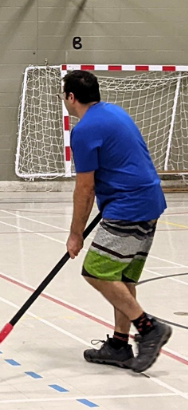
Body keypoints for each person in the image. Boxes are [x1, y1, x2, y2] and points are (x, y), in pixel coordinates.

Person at [63, 70, 171, 373]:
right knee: (122, 277)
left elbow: (85, 188)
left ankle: (148, 328)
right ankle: (119, 345)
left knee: (96, 271)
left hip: (129, 206)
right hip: (149, 201)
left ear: (71, 97)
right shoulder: (115, 112)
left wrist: (75, 235)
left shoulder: (83, 130)